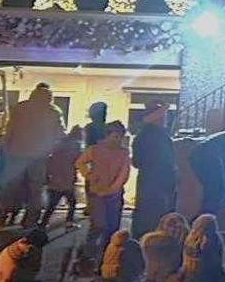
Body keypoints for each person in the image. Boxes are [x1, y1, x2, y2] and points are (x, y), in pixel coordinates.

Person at [3, 84, 65, 227]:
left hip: (16, 153)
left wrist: (7, 147)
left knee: (12, 186)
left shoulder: (20, 108)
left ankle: (3, 216)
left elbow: (10, 129)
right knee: (35, 189)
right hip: (39, 156)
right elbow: (60, 134)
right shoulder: (54, 112)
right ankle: (30, 220)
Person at [78, 121, 132, 254]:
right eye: (115, 136)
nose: (118, 140)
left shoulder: (123, 153)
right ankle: (88, 253)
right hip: (97, 192)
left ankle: (107, 252)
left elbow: (124, 174)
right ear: (107, 135)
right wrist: (89, 176)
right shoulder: (95, 150)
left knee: (112, 226)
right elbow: (80, 163)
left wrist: (113, 188)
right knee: (98, 225)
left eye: (120, 137)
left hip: (114, 193)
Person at [132, 103, 178, 238]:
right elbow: (167, 161)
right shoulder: (158, 137)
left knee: (144, 215)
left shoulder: (142, 136)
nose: (166, 120)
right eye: (163, 116)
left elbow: (136, 162)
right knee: (156, 216)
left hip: (147, 181)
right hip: (159, 184)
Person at [42, 127, 83, 229]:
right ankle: (69, 221)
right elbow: (78, 160)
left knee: (52, 203)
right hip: (67, 177)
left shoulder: (58, 145)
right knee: (72, 202)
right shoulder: (76, 146)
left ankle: (43, 222)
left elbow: (49, 159)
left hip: (55, 177)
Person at [142, 212, 190, 282]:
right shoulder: (151, 242)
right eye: (170, 225)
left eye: (178, 227)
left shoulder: (188, 255)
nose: (173, 230)